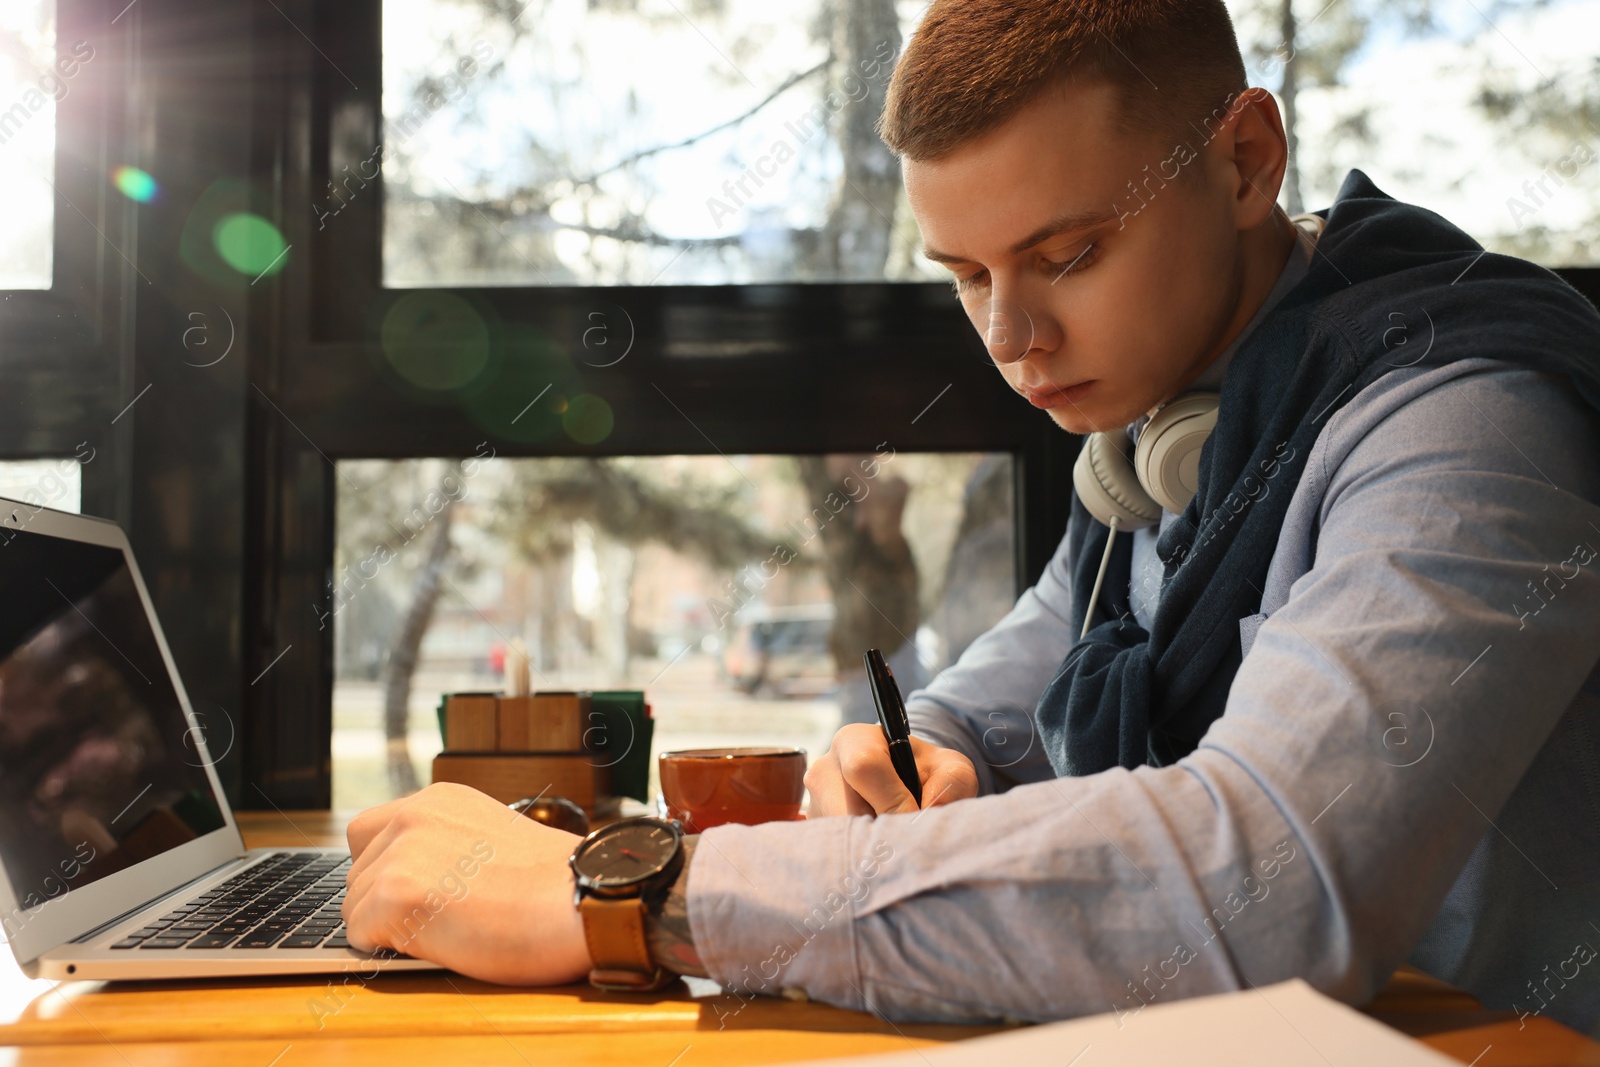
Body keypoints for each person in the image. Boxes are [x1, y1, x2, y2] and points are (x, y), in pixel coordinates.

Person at [340, 0, 1600, 1033]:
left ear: (1243, 163)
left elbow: (1269, 881)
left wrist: (639, 890)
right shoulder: (1161, 434)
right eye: (966, 275)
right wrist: (922, 742)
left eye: (1066, 255)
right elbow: (1035, 655)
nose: (1011, 338)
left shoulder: (1468, 427)